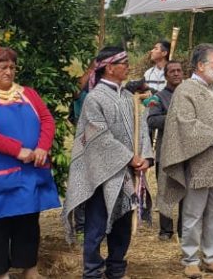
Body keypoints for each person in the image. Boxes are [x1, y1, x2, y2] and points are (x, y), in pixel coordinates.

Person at [0, 46, 60, 279]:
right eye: (2, 67)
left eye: (12, 67)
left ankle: (30, 270)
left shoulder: (28, 94)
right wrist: (18, 150)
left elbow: (47, 119)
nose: (8, 72)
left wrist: (42, 147)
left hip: (29, 170)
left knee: (28, 220)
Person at [62, 47, 153, 279]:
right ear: (109, 67)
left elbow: (142, 127)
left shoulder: (128, 96)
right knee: (97, 226)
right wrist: (130, 158)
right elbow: (99, 136)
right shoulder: (95, 98)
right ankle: (92, 272)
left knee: (122, 225)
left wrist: (146, 157)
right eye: (124, 62)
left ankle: (116, 270)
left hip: (126, 173)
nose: (128, 66)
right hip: (101, 174)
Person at [158, 44, 213, 278]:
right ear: (200, 65)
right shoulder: (185, 90)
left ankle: (212, 257)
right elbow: (186, 124)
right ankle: (191, 259)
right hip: (199, 163)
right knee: (194, 213)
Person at [147, 59, 185, 240]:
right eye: (172, 71)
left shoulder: (188, 95)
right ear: (166, 75)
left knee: (187, 192)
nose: (176, 73)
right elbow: (152, 120)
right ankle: (166, 230)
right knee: (164, 190)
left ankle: (184, 230)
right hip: (166, 151)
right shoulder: (158, 98)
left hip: (187, 151)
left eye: (179, 70)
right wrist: (174, 118)